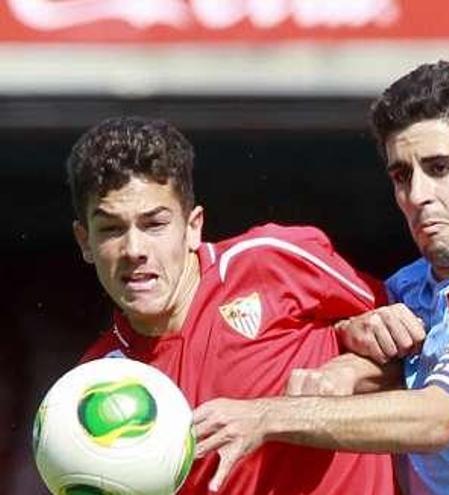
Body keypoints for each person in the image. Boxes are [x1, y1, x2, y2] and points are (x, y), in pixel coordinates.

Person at [194, 60, 449, 495]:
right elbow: (404, 366)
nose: (417, 195)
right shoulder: (412, 286)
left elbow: (438, 417)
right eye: (402, 175)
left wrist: (267, 416)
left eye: (440, 168)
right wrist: (349, 361)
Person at [67, 116, 397, 494]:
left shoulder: (270, 262)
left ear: (193, 226)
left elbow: (432, 357)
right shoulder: (96, 388)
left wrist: (348, 370)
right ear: (85, 241)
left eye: (155, 224)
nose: (134, 250)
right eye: (111, 229)